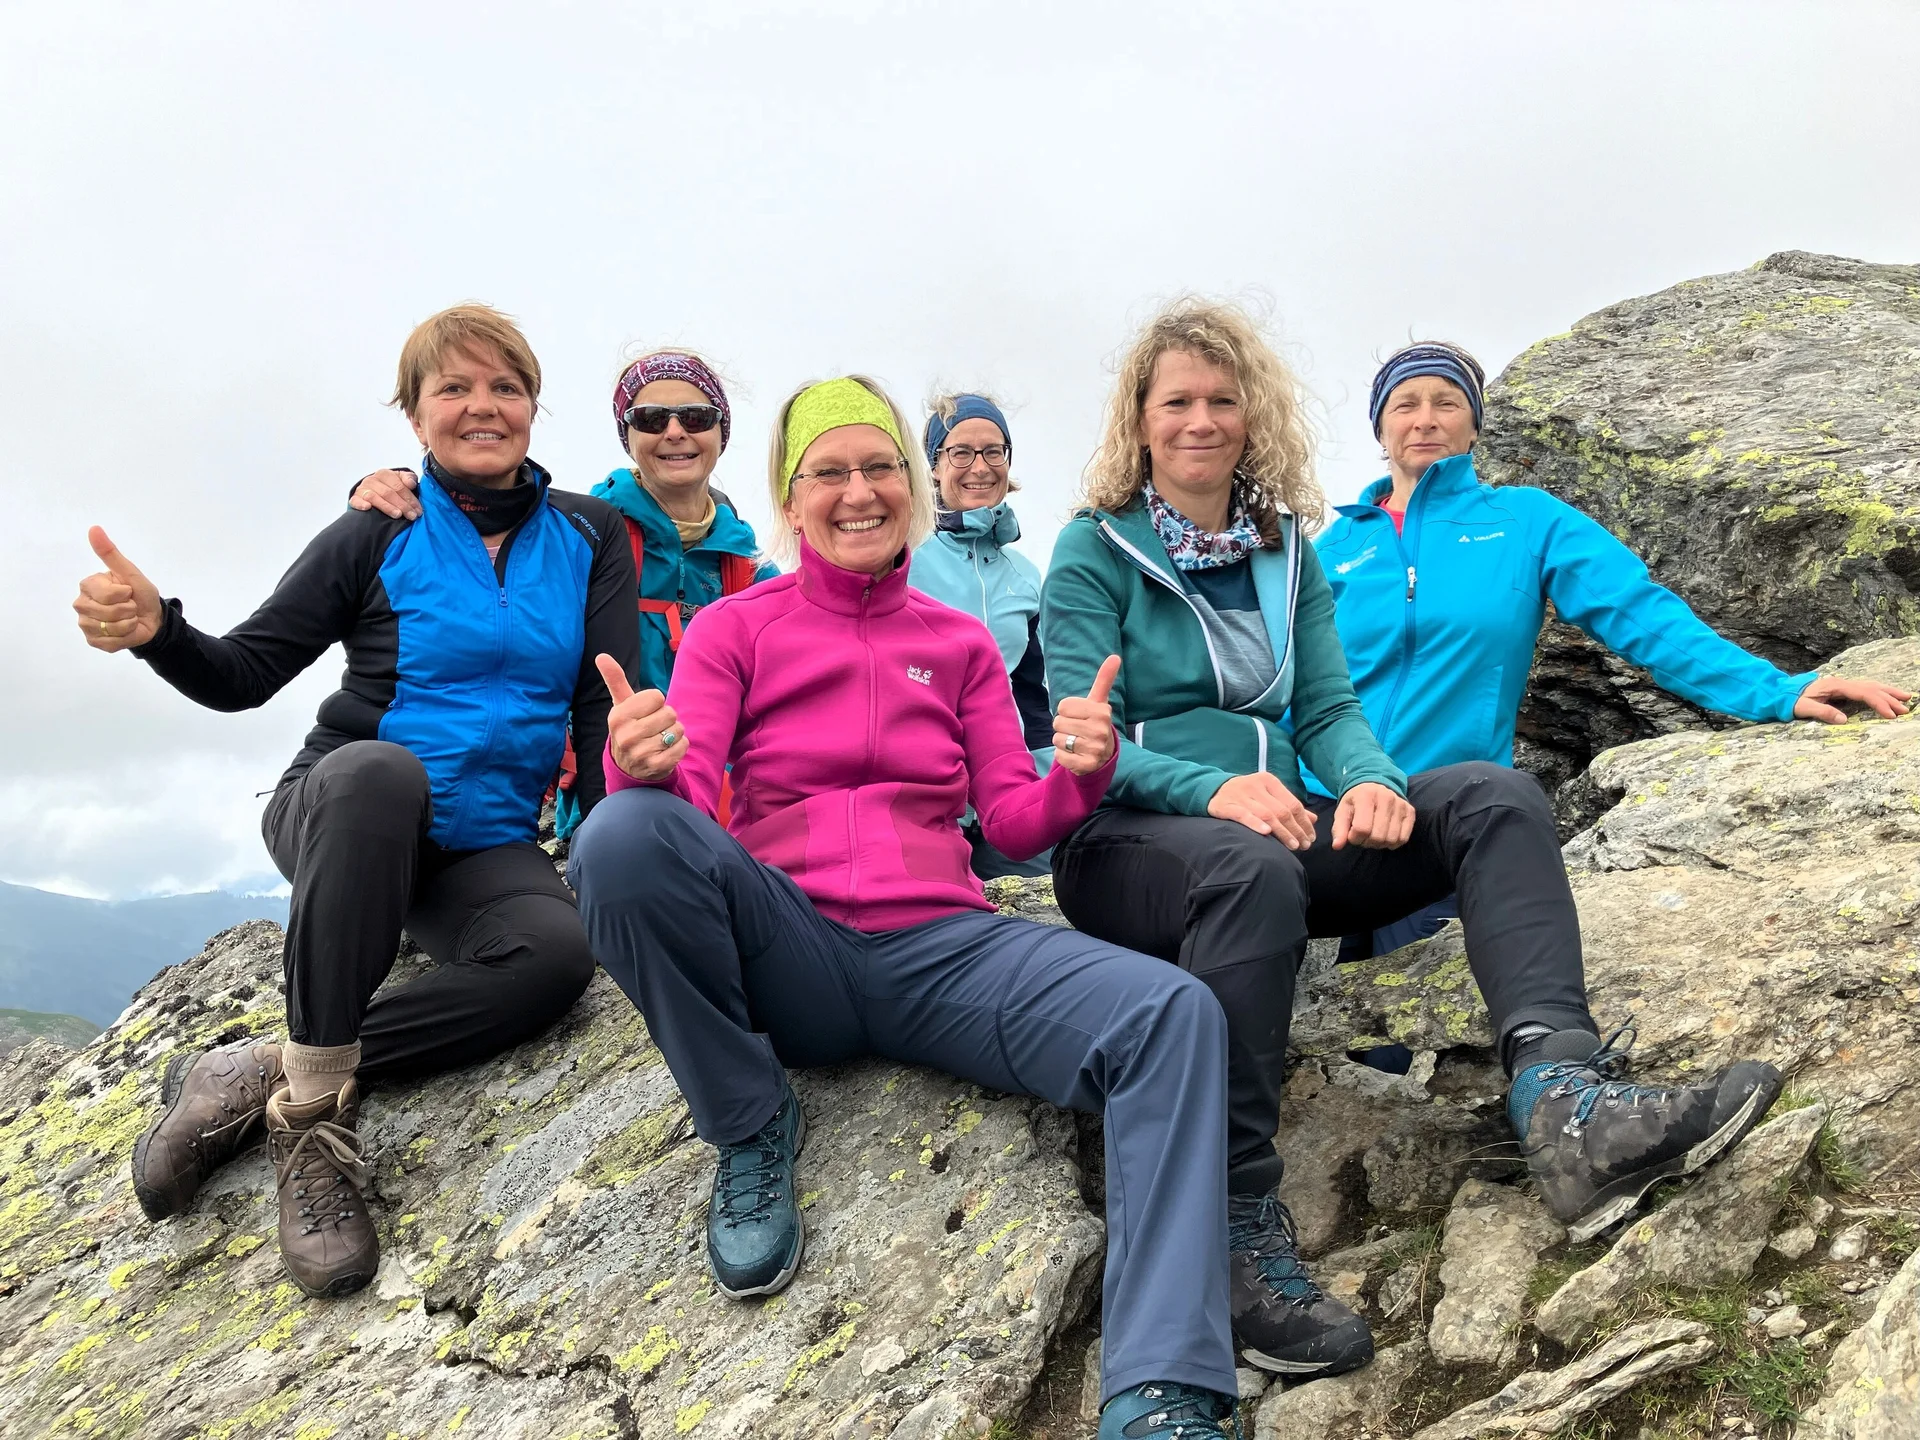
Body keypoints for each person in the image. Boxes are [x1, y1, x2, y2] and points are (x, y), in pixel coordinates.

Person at [1040, 299, 1786, 1379]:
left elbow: (1331, 711)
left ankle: (1562, 1097)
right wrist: (1213, 792)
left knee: (1488, 792)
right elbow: (1085, 736)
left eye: (1221, 399)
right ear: (1139, 421)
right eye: (1176, 402)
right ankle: (1236, 1229)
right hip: (1126, 845)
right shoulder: (1090, 549)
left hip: (1276, 838)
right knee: (1251, 869)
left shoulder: (1287, 552)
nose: (1201, 420)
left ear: (1253, 415)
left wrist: (1375, 785)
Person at [569, 375, 1245, 1439]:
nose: (857, 492)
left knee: (1172, 1014)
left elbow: (1013, 823)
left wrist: (1079, 773)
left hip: (945, 951)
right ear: (791, 501)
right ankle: (751, 1124)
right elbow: (685, 815)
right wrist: (641, 770)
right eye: (827, 472)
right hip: (790, 947)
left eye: (878, 466)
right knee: (617, 835)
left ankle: (1161, 1387)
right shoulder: (734, 632)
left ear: (911, 487)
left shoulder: (961, 642)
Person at [73, 304, 638, 1299]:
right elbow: (244, 672)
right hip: (341, 807)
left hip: (480, 845)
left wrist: (616, 848)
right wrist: (159, 629)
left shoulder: (591, 537)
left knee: (555, 962)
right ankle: (313, 1126)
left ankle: (255, 1075)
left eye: (504, 387)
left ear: (535, 409)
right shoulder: (377, 529)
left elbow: (600, 710)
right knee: (382, 770)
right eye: (453, 388)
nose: (482, 407)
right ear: (415, 416)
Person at [1318, 339, 1912, 958]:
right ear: (1381, 430)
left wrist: (1778, 690)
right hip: (1324, 807)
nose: (1426, 418)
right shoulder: (1331, 549)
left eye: (1447, 402)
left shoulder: (1525, 520)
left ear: (1473, 428)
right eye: (1405, 404)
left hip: (1442, 813)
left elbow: (1638, 613)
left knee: (1399, 1024)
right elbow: (1285, 685)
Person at [349, 349, 778, 837]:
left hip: (721, 800)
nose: (675, 432)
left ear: (722, 431)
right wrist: (390, 488)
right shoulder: (583, 538)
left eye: (697, 417)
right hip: (603, 793)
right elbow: (475, 547)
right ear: (628, 435)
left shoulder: (752, 569)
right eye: (652, 418)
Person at [910, 391, 1052, 878]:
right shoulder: (902, 557)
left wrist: (1046, 773)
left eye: (994, 451)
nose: (980, 467)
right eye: (960, 452)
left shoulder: (1026, 575)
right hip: (921, 787)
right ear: (933, 466)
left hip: (1006, 787)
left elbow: (1029, 691)